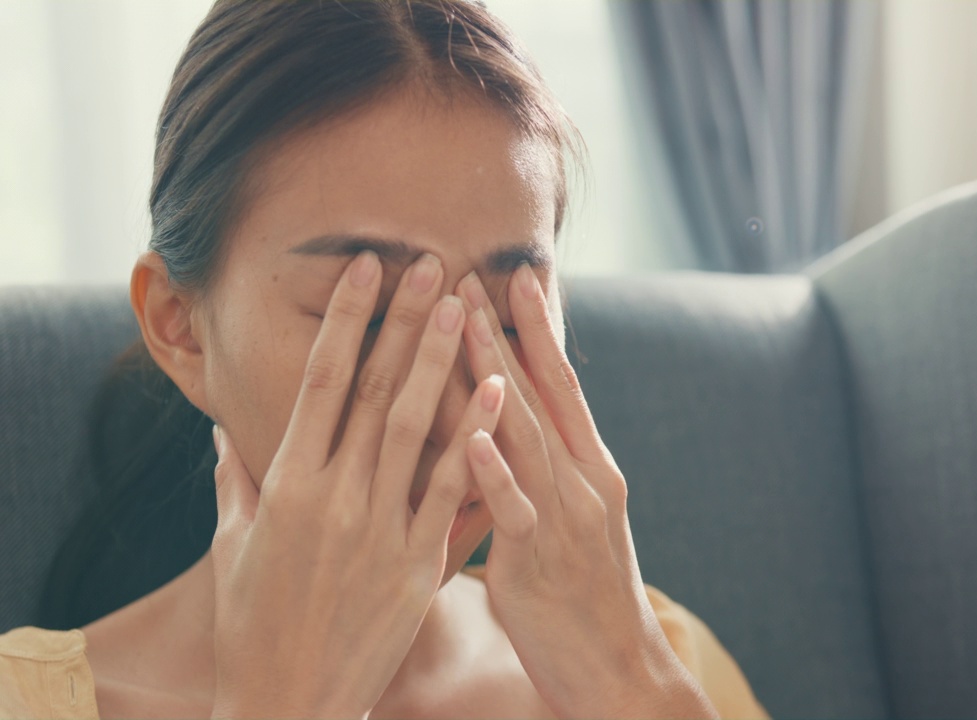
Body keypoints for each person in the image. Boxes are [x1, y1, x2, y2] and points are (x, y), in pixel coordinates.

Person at [0, 1, 768, 718]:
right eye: (367, 316)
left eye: (506, 317)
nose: (450, 403)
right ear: (182, 330)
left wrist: (632, 682)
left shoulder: (664, 658)